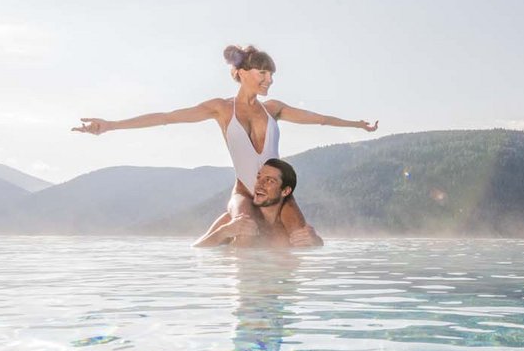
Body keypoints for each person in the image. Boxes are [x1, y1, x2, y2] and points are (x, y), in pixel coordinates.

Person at [72, 44, 376, 245]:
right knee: (243, 225)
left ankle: (279, 302)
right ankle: (242, 305)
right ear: (243, 73)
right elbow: (167, 117)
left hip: (277, 194)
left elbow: (320, 119)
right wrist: (110, 126)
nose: (269, 80)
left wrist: (358, 125)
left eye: (272, 74)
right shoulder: (221, 109)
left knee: (302, 238)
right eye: (263, 73)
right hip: (244, 191)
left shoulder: (274, 109)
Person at [203, 158, 322, 247]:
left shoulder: (289, 229)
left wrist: (316, 241)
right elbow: (197, 250)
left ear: (285, 191)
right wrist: (224, 232)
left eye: (269, 181)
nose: (259, 184)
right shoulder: (235, 221)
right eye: (259, 178)